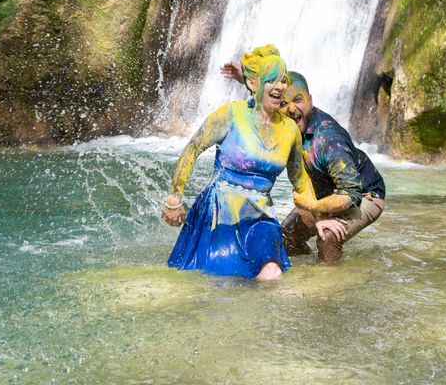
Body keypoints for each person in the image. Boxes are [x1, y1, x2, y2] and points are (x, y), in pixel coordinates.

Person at [162, 45, 316, 280]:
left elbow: (300, 180)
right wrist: (174, 199)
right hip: (218, 214)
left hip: (260, 216)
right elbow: (192, 149)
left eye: (283, 80)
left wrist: (320, 216)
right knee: (214, 282)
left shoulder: (290, 131)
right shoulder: (231, 114)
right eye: (272, 80)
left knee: (271, 272)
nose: (280, 86)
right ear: (254, 84)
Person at [221, 63, 385, 263]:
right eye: (283, 103)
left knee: (328, 237)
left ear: (310, 100)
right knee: (285, 238)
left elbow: (351, 192)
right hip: (321, 192)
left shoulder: (329, 141)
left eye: (298, 100)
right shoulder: (285, 125)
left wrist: (317, 212)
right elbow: (267, 98)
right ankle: (306, 271)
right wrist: (245, 80)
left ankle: (331, 286)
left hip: (364, 194)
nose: (291, 108)